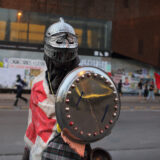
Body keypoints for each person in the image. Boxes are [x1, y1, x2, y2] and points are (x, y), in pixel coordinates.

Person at [22, 18, 90, 160]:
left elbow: (93, 124)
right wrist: (26, 153)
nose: (62, 60)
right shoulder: (38, 83)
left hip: (72, 154)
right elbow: (32, 127)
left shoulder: (83, 83)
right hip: (39, 154)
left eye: (66, 56)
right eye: (58, 55)